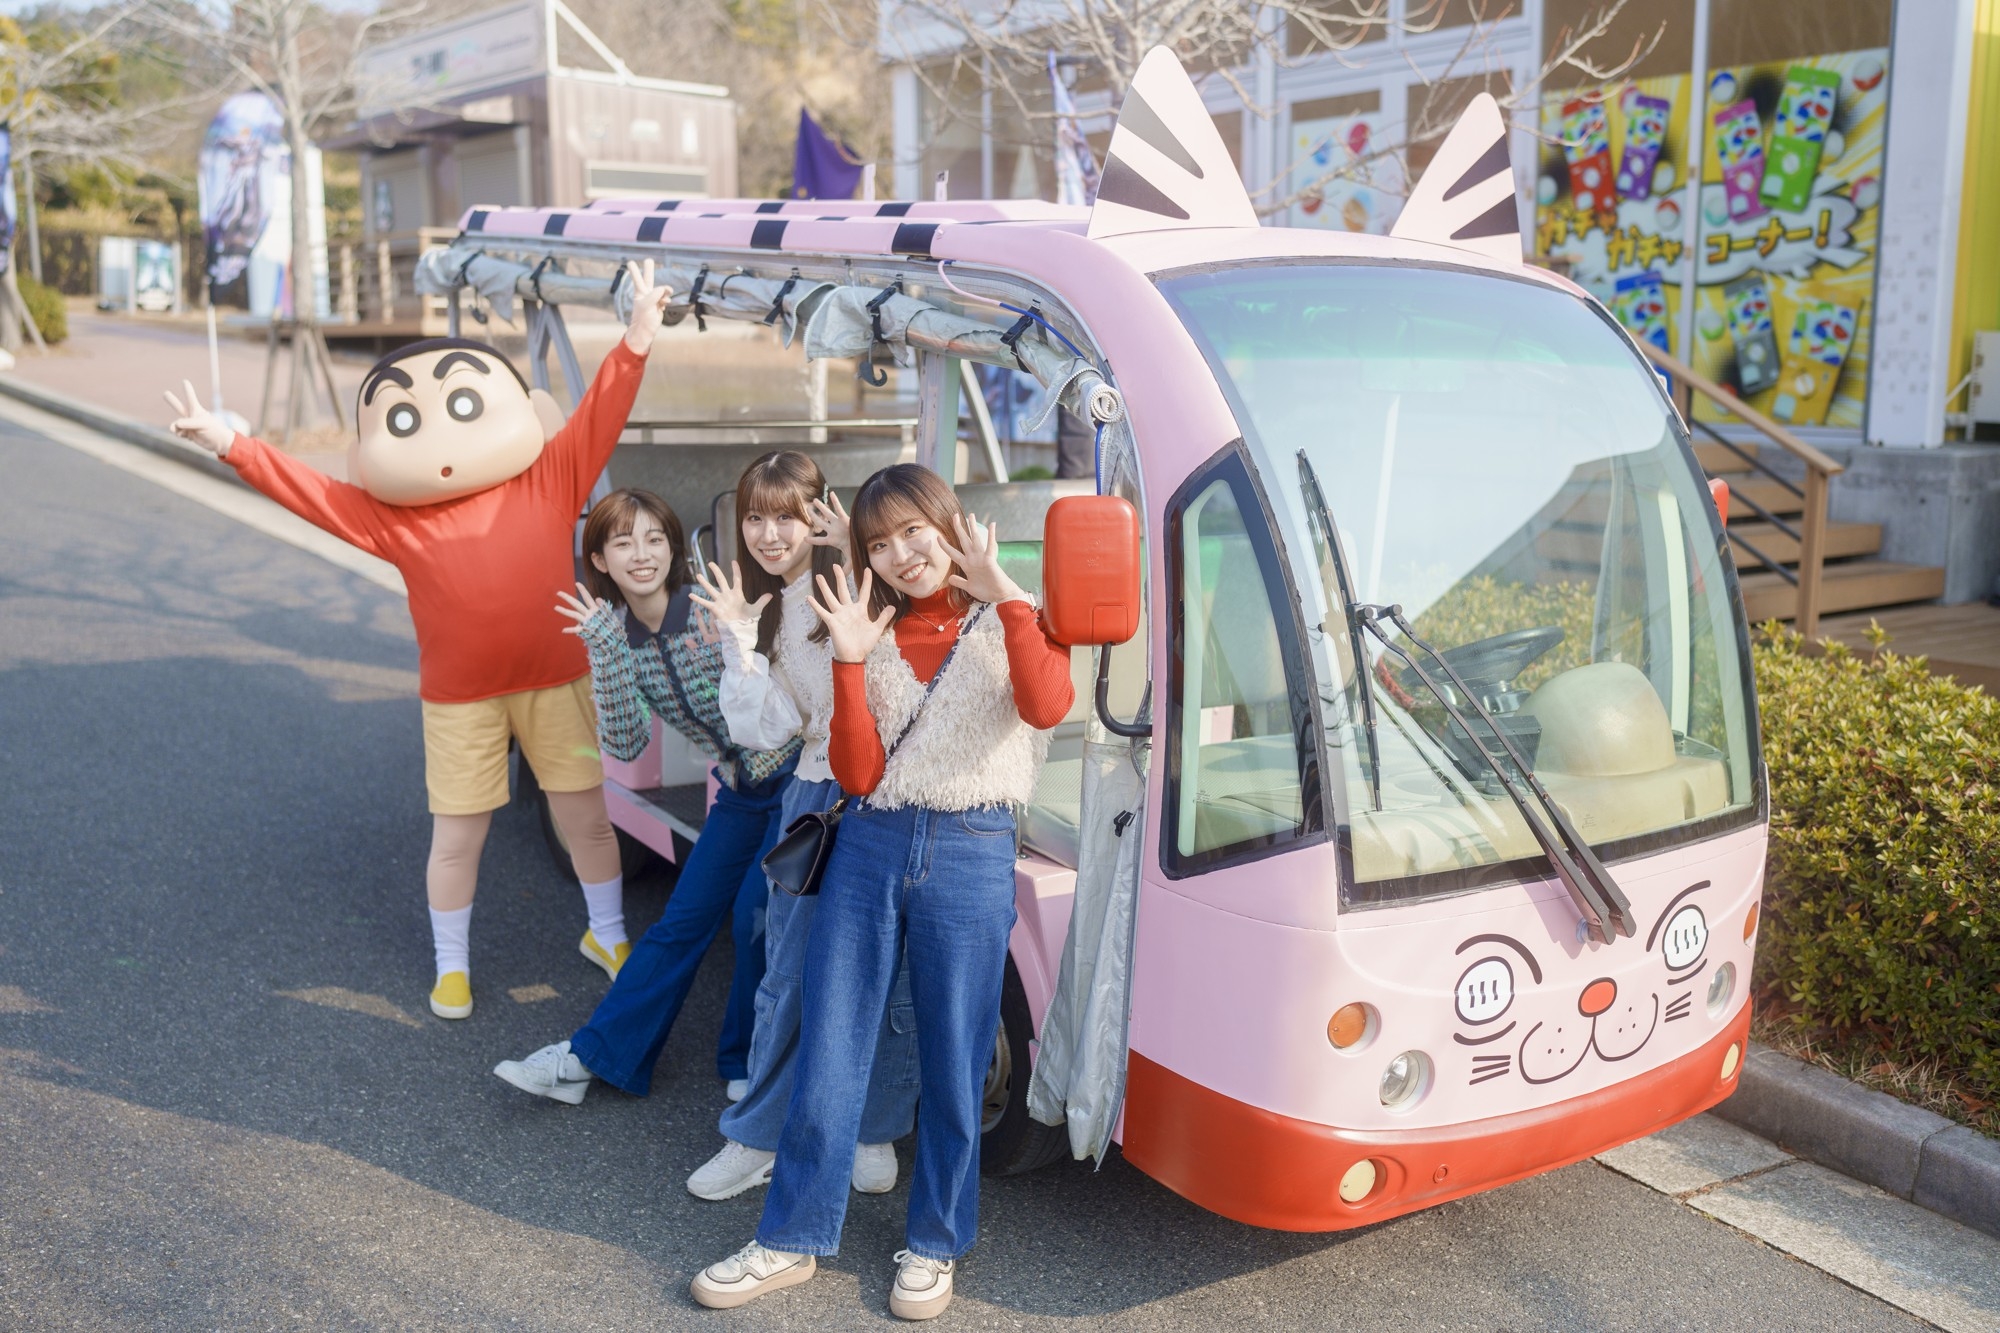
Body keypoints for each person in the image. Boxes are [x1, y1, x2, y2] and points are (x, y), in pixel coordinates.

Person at [162, 262, 675, 1020]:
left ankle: (607, 934)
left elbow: (603, 408)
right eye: (404, 421)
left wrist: (635, 340)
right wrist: (229, 443)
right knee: (458, 836)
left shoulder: (552, 476)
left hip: (557, 681)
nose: (441, 437)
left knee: (587, 819)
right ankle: (451, 965)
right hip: (460, 700)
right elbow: (309, 492)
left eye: (464, 406)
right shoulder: (393, 517)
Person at [692, 464, 1073, 1320]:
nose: (901, 554)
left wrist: (1006, 592)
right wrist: (853, 660)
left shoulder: (1014, 614)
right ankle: (789, 1236)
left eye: (913, 531)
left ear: (949, 524)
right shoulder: (862, 624)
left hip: (973, 842)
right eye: (879, 543)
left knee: (955, 1053)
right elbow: (858, 772)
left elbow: (1048, 705)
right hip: (870, 838)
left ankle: (935, 1242)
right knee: (832, 1041)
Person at [491, 488, 798, 1106]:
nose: (642, 554)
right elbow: (626, 745)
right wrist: (606, 654)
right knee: (678, 924)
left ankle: (747, 1059)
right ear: (599, 559)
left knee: (755, 916)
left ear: (672, 548)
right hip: (739, 790)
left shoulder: (709, 608)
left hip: (793, 780)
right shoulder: (614, 635)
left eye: (655, 539)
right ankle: (588, 1058)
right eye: (624, 542)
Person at [684, 451, 920, 1203]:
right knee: (788, 969)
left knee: (886, 968)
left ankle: (872, 1127)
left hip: (897, 793)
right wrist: (738, 638)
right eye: (755, 516)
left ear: (818, 514)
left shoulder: (868, 577)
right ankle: (757, 1136)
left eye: (786, 515)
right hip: (818, 795)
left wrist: (857, 547)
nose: (769, 532)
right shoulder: (775, 608)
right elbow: (767, 728)